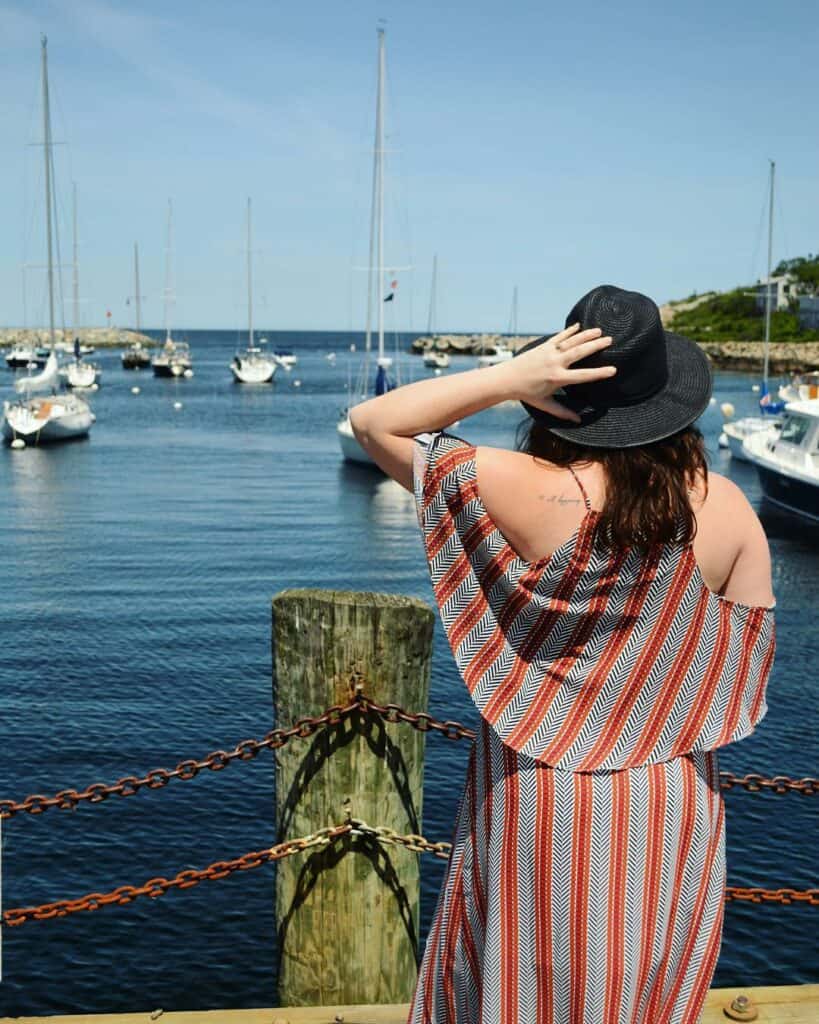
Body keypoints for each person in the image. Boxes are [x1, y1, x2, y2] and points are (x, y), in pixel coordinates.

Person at [349, 285, 776, 1024]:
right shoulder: (727, 504)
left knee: (517, 984)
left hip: (539, 786)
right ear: (669, 402)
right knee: (639, 991)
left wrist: (510, 379)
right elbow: (738, 664)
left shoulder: (518, 486)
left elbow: (374, 421)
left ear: (557, 394)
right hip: (668, 795)